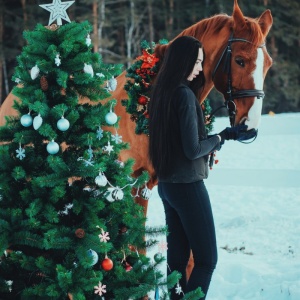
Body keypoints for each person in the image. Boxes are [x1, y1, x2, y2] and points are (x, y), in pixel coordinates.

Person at [148, 36, 255, 299]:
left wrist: (221, 138)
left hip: (168, 186)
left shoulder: (162, 93)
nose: (199, 68)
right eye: (196, 62)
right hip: (187, 187)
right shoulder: (183, 95)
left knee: (177, 260)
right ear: (183, 62)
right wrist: (221, 137)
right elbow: (193, 149)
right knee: (206, 261)